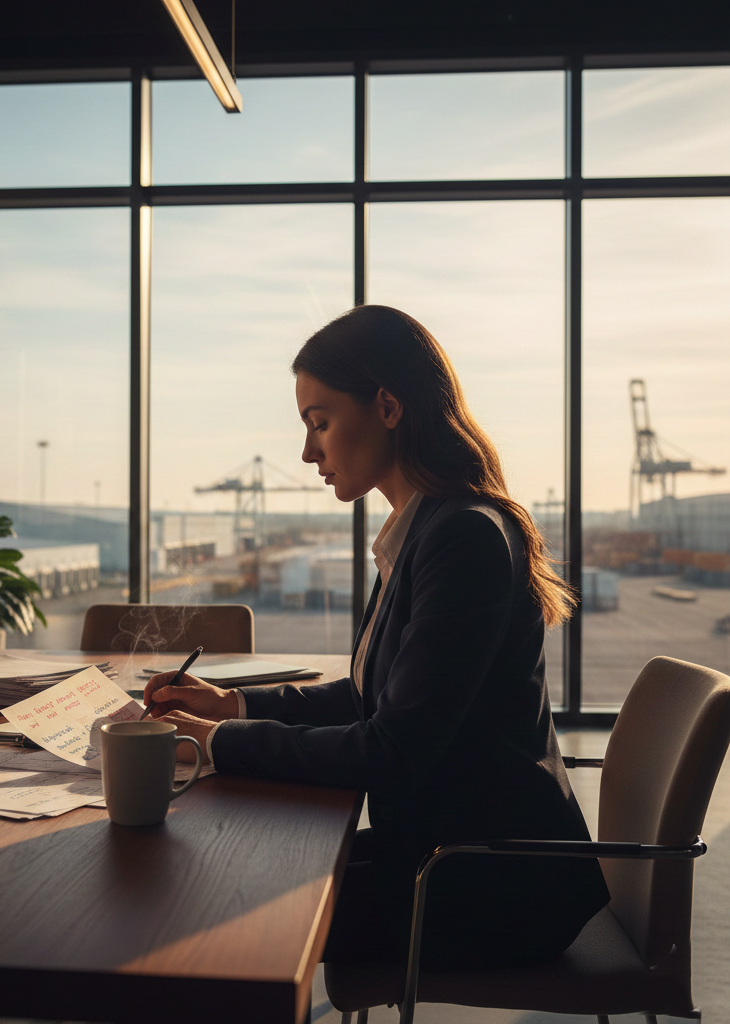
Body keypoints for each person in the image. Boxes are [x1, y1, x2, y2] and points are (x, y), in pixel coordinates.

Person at [142, 304, 610, 970]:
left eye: (319, 422)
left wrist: (214, 743)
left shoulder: (463, 537)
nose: (308, 452)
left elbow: (391, 752)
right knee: (218, 874)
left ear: (388, 407)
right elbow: (372, 699)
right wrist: (230, 706)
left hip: (490, 885)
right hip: (445, 854)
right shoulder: (426, 530)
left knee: (208, 903)